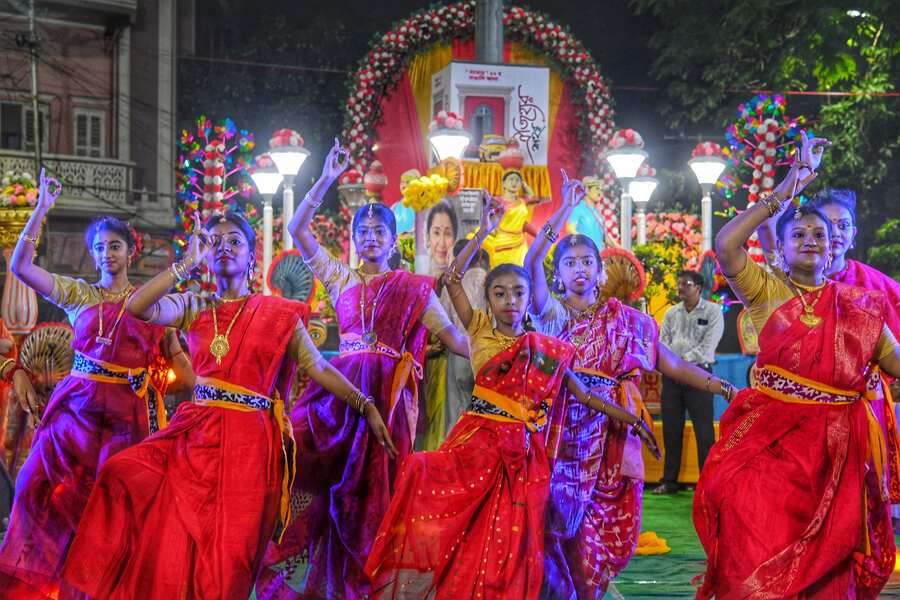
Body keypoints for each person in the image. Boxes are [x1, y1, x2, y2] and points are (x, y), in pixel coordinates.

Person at [61, 211, 395, 599]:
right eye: (215, 241)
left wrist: (364, 404)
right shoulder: (195, 305)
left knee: (230, 556)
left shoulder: (279, 315)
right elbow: (137, 307)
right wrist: (187, 262)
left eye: (234, 241)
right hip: (195, 434)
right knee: (125, 476)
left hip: (250, 446)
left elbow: (318, 366)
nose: (224, 247)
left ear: (252, 256)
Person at [364, 192, 660, 600]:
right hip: (477, 444)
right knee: (449, 508)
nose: (510, 301)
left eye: (519, 293)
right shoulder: (478, 328)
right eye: (500, 293)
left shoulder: (543, 346)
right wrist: (484, 231)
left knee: (512, 536)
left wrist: (635, 421)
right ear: (488, 298)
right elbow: (452, 277)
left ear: (529, 298)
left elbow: (586, 396)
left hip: (523, 454)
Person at [256, 140, 469, 599]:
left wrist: (500, 354)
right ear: (354, 239)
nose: (370, 236)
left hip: (389, 404)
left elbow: (454, 337)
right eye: (363, 230)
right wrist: (326, 178)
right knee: (326, 485)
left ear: (393, 240)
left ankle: (370, 585)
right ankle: (333, 584)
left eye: (379, 231)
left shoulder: (413, 288)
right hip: (339, 400)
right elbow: (297, 228)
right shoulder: (340, 278)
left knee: (375, 495)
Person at [695, 131, 900, 598]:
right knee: (751, 535)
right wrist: (789, 186)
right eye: (799, 234)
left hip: (835, 455)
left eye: (819, 235)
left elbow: (896, 362)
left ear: (833, 248)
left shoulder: (861, 307)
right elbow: (727, 244)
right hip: (769, 444)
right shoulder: (766, 290)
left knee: (826, 569)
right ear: (782, 248)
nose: (810, 240)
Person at [524, 172, 736, 599]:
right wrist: (565, 209)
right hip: (564, 436)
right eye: (570, 262)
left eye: (587, 261)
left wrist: (719, 386)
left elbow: (670, 362)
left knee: (608, 530)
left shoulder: (628, 321)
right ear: (558, 274)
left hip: (617, 433)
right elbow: (531, 264)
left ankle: (588, 590)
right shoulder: (552, 315)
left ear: (600, 271)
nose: (580, 269)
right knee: (559, 524)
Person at [0, 170, 191, 599]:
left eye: (115, 246)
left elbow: (179, 360)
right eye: (100, 248)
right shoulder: (79, 295)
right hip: (74, 419)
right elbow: (21, 266)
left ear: (131, 250)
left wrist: (210, 392)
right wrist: (41, 209)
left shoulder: (151, 303)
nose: (107, 254)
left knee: (109, 513)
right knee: (33, 486)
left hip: (127, 424)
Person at [758, 188, 899, 338]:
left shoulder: (875, 283)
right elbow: (765, 226)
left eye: (843, 226)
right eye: (827, 225)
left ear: (853, 234)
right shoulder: (789, 274)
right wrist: (792, 185)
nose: (836, 233)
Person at [654, 270, 724, 495]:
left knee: (704, 432)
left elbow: (708, 347)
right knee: (671, 430)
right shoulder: (671, 313)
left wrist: (679, 362)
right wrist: (673, 366)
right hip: (672, 378)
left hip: (700, 376)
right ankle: (669, 481)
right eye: (679, 283)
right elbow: (662, 342)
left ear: (698, 288)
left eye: (686, 284)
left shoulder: (713, 312)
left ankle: (707, 483)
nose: (681, 288)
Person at [481, 169, 539, 268]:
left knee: (521, 271)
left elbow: (531, 195)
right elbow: (489, 216)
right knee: (501, 271)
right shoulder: (497, 201)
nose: (514, 183)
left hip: (520, 244)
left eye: (517, 180)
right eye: (511, 179)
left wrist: (524, 185)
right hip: (503, 242)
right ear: (503, 183)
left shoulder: (522, 201)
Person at [564, 175, 608, 251]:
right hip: (585, 255)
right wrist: (586, 243)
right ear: (587, 190)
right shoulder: (578, 209)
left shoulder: (597, 213)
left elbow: (606, 238)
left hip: (599, 255)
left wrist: (623, 251)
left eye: (601, 190)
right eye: (597, 189)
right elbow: (570, 229)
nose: (600, 193)